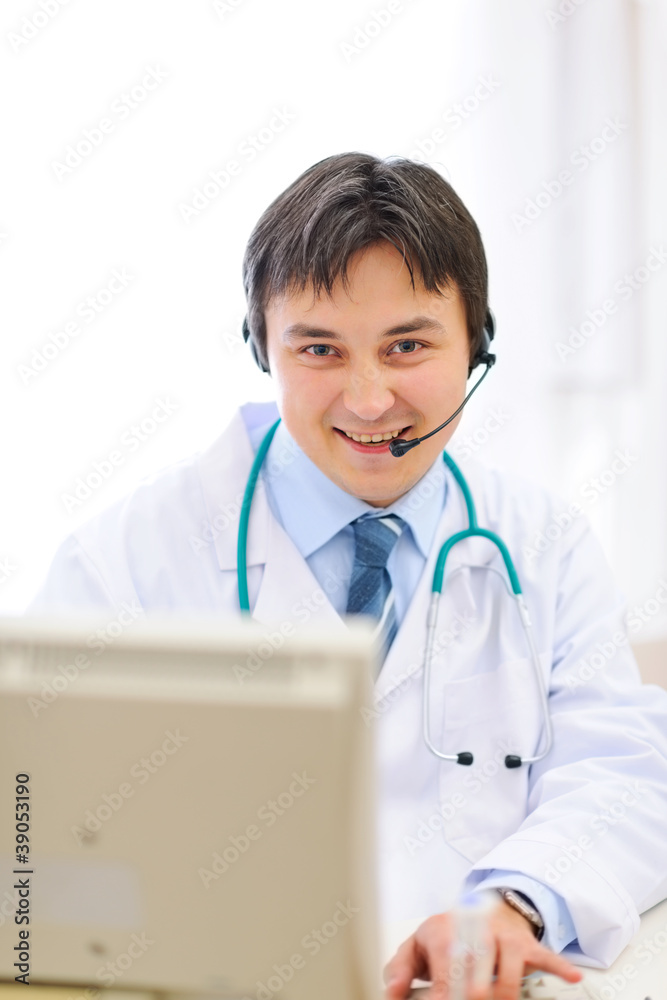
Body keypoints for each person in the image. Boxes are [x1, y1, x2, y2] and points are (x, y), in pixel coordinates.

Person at [27, 152, 667, 999]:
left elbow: (621, 776)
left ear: (477, 341)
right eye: (319, 349)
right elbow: (34, 828)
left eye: (407, 345)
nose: (368, 401)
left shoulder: (542, 544)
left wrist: (514, 906)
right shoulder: (128, 558)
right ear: (263, 348)